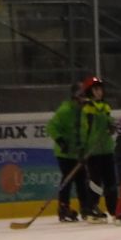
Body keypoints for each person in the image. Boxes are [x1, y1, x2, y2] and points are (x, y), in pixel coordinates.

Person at [47, 77, 98, 223]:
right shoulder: (65, 110)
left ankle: (85, 206)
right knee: (68, 179)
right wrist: (61, 141)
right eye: (82, 95)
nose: (85, 99)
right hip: (65, 153)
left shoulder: (84, 111)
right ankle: (63, 207)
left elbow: (84, 132)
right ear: (75, 96)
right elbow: (51, 127)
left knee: (82, 180)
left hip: (77, 152)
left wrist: (84, 149)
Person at [78, 77, 117, 223]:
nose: (99, 92)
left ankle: (114, 208)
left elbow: (110, 121)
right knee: (95, 182)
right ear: (90, 91)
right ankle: (91, 206)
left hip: (107, 149)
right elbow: (84, 130)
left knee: (111, 180)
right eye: (96, 89)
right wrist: (82, 149)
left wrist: (112, 126)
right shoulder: (87, 109)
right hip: (93, 151)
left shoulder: (105, 107)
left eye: (100, 89)